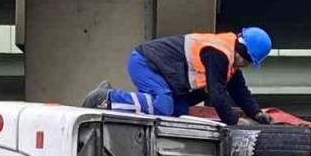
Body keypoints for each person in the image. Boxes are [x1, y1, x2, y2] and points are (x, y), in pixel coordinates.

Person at [81, 27, 274, 126]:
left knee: (178, 108)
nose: (247, 67)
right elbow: (217, 95)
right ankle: (106, 98)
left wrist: (256, 113)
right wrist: (234, 122)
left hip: (160, 72)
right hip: (145, 62)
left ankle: (119, 107)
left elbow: (239, 91)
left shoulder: (229, 59)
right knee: (163, 106)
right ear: (246, 55)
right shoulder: (219, 54)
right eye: (250, 62)